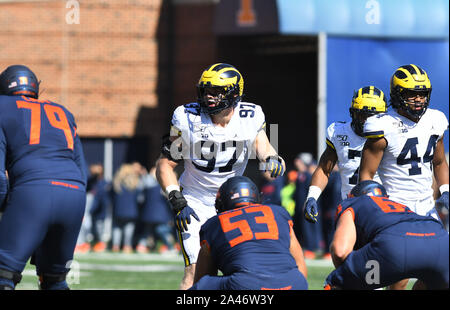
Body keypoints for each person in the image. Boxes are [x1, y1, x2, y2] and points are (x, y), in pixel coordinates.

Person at [156, 63, 286, 289]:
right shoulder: (187, 118)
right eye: (206, 90)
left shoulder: (250, 115)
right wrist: (175, 197)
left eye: (216, 91)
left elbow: (264, 147)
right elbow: (165, 164)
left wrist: (273, 160)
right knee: (196, 270)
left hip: (233, 203)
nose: (209, 97)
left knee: (241, 268)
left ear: (234, 93)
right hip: (194, 201)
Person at [359, 65, 449, 290]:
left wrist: (446, 191)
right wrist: (370, 210)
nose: (418, 99)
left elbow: (439, 162)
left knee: (438, 275)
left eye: (422, 93)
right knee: (398, 277)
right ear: (397, 94)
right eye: (411, 94)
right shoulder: (382, 125)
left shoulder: (436, 120)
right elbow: (367, 174)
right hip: (395, 208)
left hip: (427, 207)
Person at [0, 65, 87, 290]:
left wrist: (4, 205)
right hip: (74, 195)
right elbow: (82, 172)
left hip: (33, 191)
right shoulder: (63, 112)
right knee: (54, 280)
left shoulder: (2, 107)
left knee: (3, 274)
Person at [324, 180, 448, 290]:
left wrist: (349, 276)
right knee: (431, 282)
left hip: (394, 245)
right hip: (441, 239)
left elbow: (340, 252)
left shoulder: (353, 202)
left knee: (336, 281)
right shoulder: (401, 207)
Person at [190, 176, 308, 290]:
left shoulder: (213, 224)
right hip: (295, 282)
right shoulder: (278, 213)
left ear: (222, 202)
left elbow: (203, 278)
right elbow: (300, 263)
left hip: (247, 283)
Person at [303, 86, 387, 224]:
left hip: (384, 206)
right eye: (363, 115)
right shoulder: (338, 132)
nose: (367, 121)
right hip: (350, 206)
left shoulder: (390, 134)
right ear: (353, 113)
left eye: (373, 116)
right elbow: (324, 169)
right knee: (342, 246)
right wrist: (312, 196)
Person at [111, 163, 140, 253]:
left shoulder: (116, 183)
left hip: (118, 210)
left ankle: (115, 246)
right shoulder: (135, 183)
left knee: (117, 228)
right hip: (131, 211)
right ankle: (127, 246)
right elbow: (139, 198)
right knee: (128, 229)